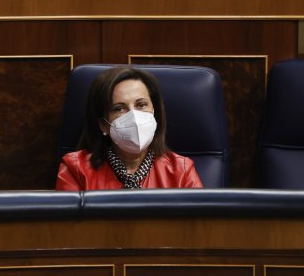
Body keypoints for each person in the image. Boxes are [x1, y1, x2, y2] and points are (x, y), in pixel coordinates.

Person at [56, 66, 203, 190]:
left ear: (154, 112)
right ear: (103, 125)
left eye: (141, 105)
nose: (134, 116)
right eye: (119, 108)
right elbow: (67, 224)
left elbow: (200, 223)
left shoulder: (181, 170)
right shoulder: (76, 169)